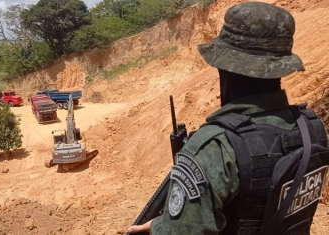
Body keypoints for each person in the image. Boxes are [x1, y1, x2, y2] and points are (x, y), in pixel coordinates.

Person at [127, 2, 329, 235]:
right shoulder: (311, 128)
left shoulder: (214, 147)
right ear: (281, 68)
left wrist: (161, 228)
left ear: (225, 70)